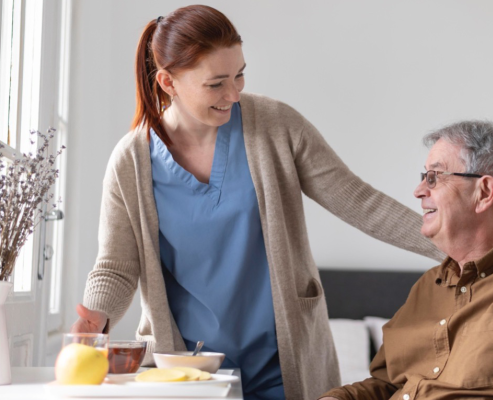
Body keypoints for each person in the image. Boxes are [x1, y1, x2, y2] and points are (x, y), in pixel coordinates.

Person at [70, 5, 443, 400]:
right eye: (216, 84)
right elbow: (116, 265)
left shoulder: (275, 126)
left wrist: (451, 242)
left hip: (284, 363)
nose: (234, 93)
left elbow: (359, 202)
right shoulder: (131, 161)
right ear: (167, 82)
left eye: (240, 74)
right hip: (189, 369)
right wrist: (97, 315)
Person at [320, 120, 493, 400]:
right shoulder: (427, 287)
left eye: (434, 177)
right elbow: (388, 385)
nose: (418, 191)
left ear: (484, 192)